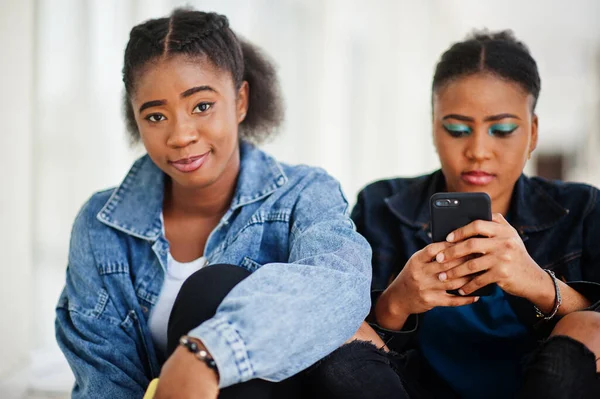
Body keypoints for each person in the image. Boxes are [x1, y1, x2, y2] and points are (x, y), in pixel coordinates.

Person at [55, 8, 372, 399]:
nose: (181, 135)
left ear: (240, 101)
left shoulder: (304, 193)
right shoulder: (100, 227)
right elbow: (104, 381)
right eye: (155, 116)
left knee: (214, 287)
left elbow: (341, 285)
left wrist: (207, 355)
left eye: (201, 106)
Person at [308, 30, 600, 399]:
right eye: (457, 129)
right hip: (410, 389)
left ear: (533, 132)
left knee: (591, 325)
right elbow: (339, 336)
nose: (478, 150)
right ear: (434, 127)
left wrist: (540, 285)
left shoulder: (583, 208)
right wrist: (397, 302)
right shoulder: (381, 204)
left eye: (502, 130)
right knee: (340, 330)